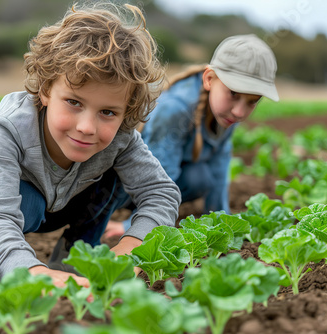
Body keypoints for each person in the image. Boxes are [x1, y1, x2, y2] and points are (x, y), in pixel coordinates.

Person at [0, 2, 181, 288]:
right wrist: (30, 273)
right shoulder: (5, 128)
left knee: (114, 178)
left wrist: (135, 248)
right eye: (74, 102)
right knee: (28, 199)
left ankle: (76, 256)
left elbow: (160, 191)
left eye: (108, 112)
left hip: (51, 204)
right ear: (47, 89)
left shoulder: (121, 137)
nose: (87, 127)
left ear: (126, 112)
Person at [104, 34, 279, 237]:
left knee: (201, 177)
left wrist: (223, 223)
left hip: (160, 180)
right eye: (234, 93)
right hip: (121, 185)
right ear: (209, 79)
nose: (240, 112)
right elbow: (157, 178)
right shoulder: (175, 109)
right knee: (187, 178)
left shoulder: (226, 114)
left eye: (252, 101)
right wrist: (132, 227)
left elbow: (218, 170)